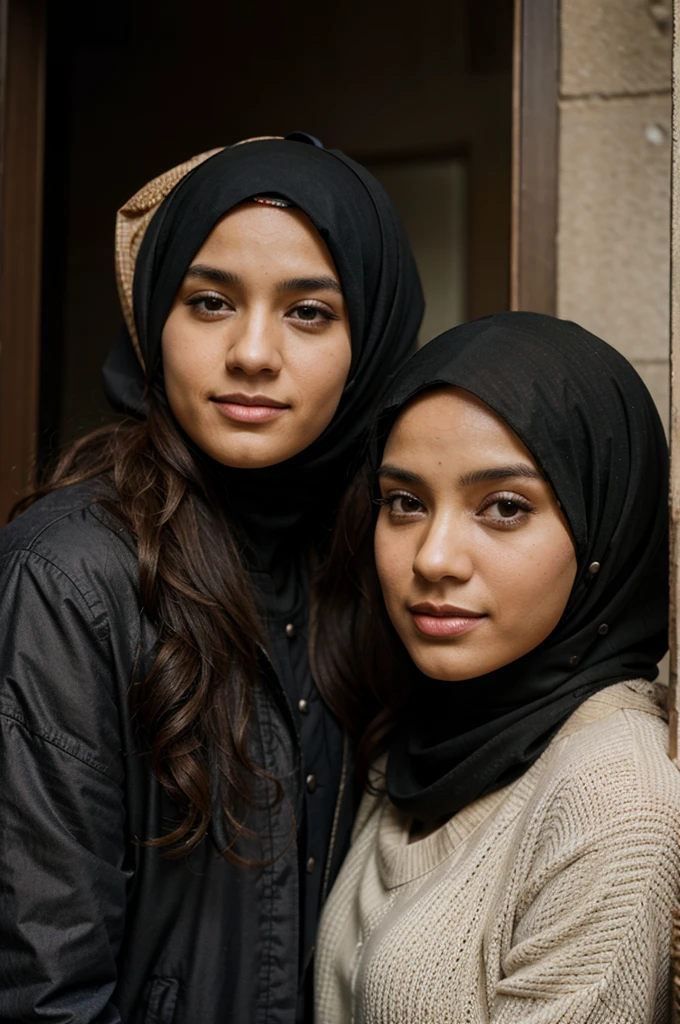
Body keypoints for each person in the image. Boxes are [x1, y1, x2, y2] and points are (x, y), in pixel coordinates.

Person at [0, 134, 423, 1024]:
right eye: (210, 302)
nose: (253, 353)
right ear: (155, 316)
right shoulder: (70, 576)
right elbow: (41, 984)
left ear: (372, 337)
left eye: (309, 312)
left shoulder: (385, 559)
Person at [314, 311, 680, 1023]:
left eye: (505, 507)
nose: (433, 558)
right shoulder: (423, 732)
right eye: (406, 503)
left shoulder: (615, 798)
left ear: (603, 521)